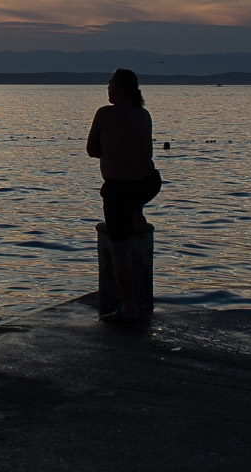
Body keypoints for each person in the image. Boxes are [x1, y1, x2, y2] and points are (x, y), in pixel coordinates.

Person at [86, 68, 161, 322]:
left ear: (117, 89)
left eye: (109, 84)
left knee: (119, 250)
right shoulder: (144, 115)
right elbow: (142, 151)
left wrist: (110, 150)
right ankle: (137, 215)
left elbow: (91, 149)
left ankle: (129, 307)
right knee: (134, 194)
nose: (107, 89)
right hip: (149, 183)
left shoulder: (104, 114)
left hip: (120, 190)